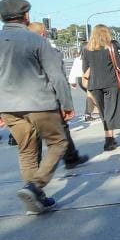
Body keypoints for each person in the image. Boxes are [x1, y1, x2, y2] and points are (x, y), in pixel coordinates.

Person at [0, 0, 75, 214]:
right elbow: (57, 77)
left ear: (0, 17)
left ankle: (36, 200)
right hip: (40, 103)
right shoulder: (36, 40)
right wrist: (67, 103)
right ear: (26, 16)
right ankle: (35, 187)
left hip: (8, 107)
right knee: (58, 143)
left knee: (27, 150)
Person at [25, 22, 89, 169]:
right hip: (46, 99)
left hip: (23, 101)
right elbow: (58, 79)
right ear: (43, 34)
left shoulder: (19, 52)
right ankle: (70, 158)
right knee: (60, 132)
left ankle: (36, 167)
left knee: (33, 137)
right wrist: (66, 104)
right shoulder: (48, 51)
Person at [81, 24, 120, 151]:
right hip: (110, 82)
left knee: (103, 112)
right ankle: (109, 139)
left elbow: (85, 68)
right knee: (110, 110)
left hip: (94, 84)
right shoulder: (110, 47)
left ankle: (109, 137)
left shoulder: (86, 49)